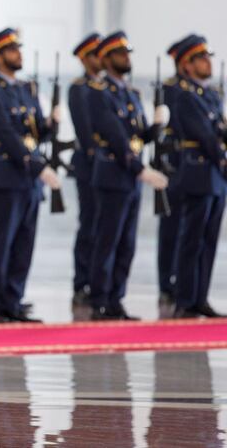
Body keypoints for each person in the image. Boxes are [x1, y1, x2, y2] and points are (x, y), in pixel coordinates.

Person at [0, 28, 60, 323]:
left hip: (28, 178)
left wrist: (50, 124)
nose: (18, 54)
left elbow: (33, 132)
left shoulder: (26, 88)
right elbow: (4, 135)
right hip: (3, 175)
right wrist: (37, 166)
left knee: (24, 241)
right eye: (11, 50)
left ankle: (14, 298)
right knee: (1, 241)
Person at [87, 31, 169, 320]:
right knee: (107, 240)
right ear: (107, 59)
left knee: (127, 243)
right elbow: (115, 137)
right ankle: (99, 300)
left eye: (128, 54)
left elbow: (136, 137)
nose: (127, 59)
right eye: (120, 54)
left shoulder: (131, 94)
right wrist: (141, 170)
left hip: (130, 179)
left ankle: (116, 299)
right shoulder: (98, 93)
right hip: (112, 176)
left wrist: (155, 129)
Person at [170, 35, 226, 318]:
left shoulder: (212, 94)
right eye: (202, 58)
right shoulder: (184, 95)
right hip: (198, 173)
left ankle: (200, 297)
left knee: (209, 239)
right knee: (192, 239)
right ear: (187, 65)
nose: (208, 63)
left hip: (216, 177)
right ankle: (185, 298)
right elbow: (205, 135)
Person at [157, 34, 197, 311]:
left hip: (195, 170)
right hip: (173, 165)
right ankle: (166, 282)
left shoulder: (200, 90)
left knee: (192, 231)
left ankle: (185, 286)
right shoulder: (172, 89)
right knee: (170, 227)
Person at [67, 33, 102, 307]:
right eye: (96, 54)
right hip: (91, 165)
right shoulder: (80, 88)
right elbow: (85, 130)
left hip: (109, 167)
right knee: (89, 224)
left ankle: (100, 281)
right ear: (86, 58)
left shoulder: (106, 88)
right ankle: (82, 282)